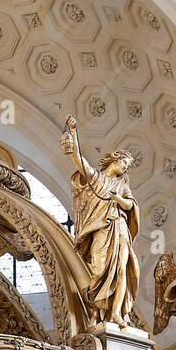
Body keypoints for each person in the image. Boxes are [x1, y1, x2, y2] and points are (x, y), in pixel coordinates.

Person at [61, 113, 139, 328]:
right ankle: (97, 310)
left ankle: (116, 313)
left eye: (127, 166)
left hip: (119, 227)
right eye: (124, 162)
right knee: (97, 270)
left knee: (122, 269)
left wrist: (118, 199)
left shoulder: (123, 184)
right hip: (101, 230)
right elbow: (78, 159)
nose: (125, 167)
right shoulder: (96, 178)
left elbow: (130, 205)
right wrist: (74, 133)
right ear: (115, 159)